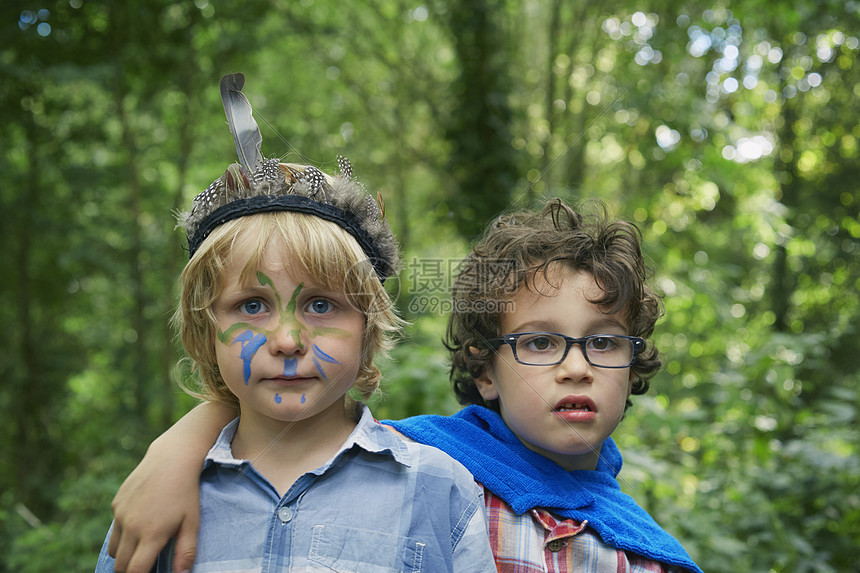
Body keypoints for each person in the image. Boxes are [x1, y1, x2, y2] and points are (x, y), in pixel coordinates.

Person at [106, 196, 702, 569]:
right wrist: (176, 451)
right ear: (482, 368)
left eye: (602, 342)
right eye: (539, 342)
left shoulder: (433, 483)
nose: (576, 367)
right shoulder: (437, 463)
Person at [95, 72, 496, 573]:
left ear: (370, 326)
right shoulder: (156, 497)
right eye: (251, 306)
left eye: (322, 306)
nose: (287, 340)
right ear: (205, 329)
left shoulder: (439, 489)